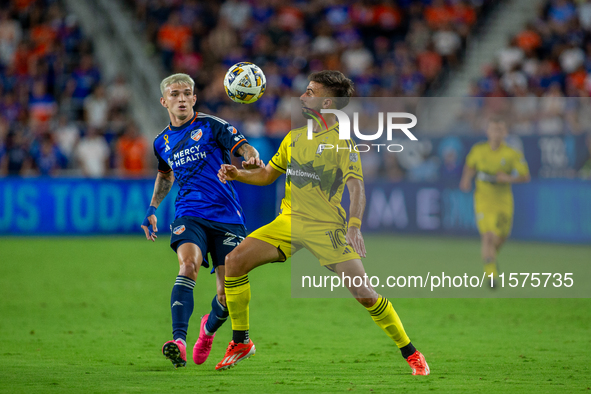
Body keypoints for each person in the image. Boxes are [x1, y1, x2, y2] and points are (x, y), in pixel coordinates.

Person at [215, 70, 430, 375]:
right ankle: (241, 341)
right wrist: (238, 174)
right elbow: (266, 175)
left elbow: (357, 188)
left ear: (326, 102)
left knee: (365, 294)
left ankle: (411, 352)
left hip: (326, 228)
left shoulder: (343, 143)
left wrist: (353, 226)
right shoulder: (294, 137)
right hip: (288, 221)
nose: (302, 96)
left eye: (310, 91)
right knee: (234, 261)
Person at [141, 73, 263, 368]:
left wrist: (251, 155)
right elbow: (166, 174)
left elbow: (243, 146)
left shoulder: (212, 125)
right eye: (174, 94)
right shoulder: (162, 142)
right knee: (188, 265)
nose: (181, 98)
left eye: (186, 93)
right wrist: (153, 207)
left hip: (227, 217)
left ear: (194, 98)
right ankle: (179, 341)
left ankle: (206, 331)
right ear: (164, 101)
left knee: (225, 294)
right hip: (189, 213)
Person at [459, 118, 530, 286]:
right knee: (488, 236)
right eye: (493, 129)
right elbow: (470, 166)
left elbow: (525, 176)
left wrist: (508, 178)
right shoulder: (478, 150)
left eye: (500, 130)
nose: (496, 133)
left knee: (501, 237)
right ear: (488, 132)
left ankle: (490, 259)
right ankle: (491, 274)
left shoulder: (512, 154)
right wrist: (466, 180)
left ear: (504, 133)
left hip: (503, 201)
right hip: (484, 199)